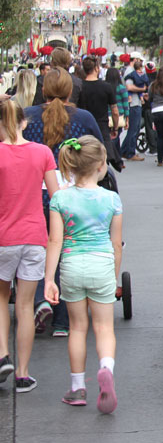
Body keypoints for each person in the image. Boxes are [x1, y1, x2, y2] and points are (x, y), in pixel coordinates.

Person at [23, 69, 104, 338]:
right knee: (69, 250)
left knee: (37, 251)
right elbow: (97, 151)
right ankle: (63, 320)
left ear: (43, 90)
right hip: (73, 195)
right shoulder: (83, 117)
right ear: (71, 91)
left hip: (34, 194)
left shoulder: (29, 115)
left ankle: (38, 299)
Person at [44, 136, 122, 412]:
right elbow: (116, 244)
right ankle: (106, 369)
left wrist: (49, 279)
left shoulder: (60, 198)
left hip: (72, 265)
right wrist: (114, 277)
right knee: (104, 327)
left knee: (77, 328)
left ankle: (77, 387)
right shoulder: (112, 199)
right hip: (101, 264)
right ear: (101, 165)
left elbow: (54, 241)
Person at [0, 100, 60, 394]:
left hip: (2, 238)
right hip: (35, 238)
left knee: (1, 300)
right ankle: (23, 373)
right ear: (24, 122)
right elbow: (57, 199)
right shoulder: (42, 153)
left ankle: (2, 357)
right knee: (25, 306)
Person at [75, 57, 120, 165]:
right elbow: (114, 110)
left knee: (85, 156)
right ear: (96, 68)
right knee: (103, 156)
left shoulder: (79, 86)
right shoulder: (106, 87)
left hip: (84, 126)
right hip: (101, 126)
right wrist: (115, 127)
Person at [121, 60, 148, 161]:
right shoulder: (130, 72)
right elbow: (129, 86)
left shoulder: (133, 72)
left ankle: (124, 150)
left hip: (137, 103)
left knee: (135, 128)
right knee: (134, 129)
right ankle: (130, 153)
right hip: (133, 104)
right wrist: (142, 90)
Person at [105, 66, 129, 163]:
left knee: (112, 137)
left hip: (106, 115)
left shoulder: (105, 87)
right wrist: (127, 119)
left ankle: (117, 158)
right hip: (119, 115)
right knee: (116, 136)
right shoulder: (121, 88)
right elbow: (125, 104)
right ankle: (115, 157)